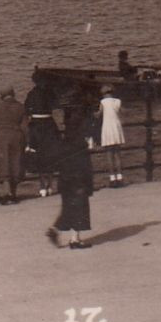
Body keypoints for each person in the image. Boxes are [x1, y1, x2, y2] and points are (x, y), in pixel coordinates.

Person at [46, 106, 94, 250]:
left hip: (65, 178)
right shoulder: (81, 143)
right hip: (78, 178)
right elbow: (85, 163)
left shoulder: (64, 140)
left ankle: (56, 229)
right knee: (80, 206)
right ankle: (75, 239)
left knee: (68, 206)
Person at [0, 88, 27, 205]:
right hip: (17, 135)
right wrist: (26, 141)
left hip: (2, 136)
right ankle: (13, 194)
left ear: (1, 95)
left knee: (4, 164)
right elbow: (25, 127)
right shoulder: (21, 107)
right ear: (13, 94)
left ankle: (6, 193)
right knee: (15, 163)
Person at [23, 78, 61, 198]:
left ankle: (42, 186)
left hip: (37, 126)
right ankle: (49, 185)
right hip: (49, 124)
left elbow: (26, 110)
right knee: (51, 154)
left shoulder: (31, 94)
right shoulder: (50, 92)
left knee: (38, 156)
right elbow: (56, 105)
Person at [97, 84, 126, 188]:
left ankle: (112, 178)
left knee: (109, 154)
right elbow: (123, 111)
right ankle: (120, 177)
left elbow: (99, 114)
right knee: (117, 154)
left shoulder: (103, 102)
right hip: (116, 127)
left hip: (107, 127)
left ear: (104, 94)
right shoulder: (118, 101)